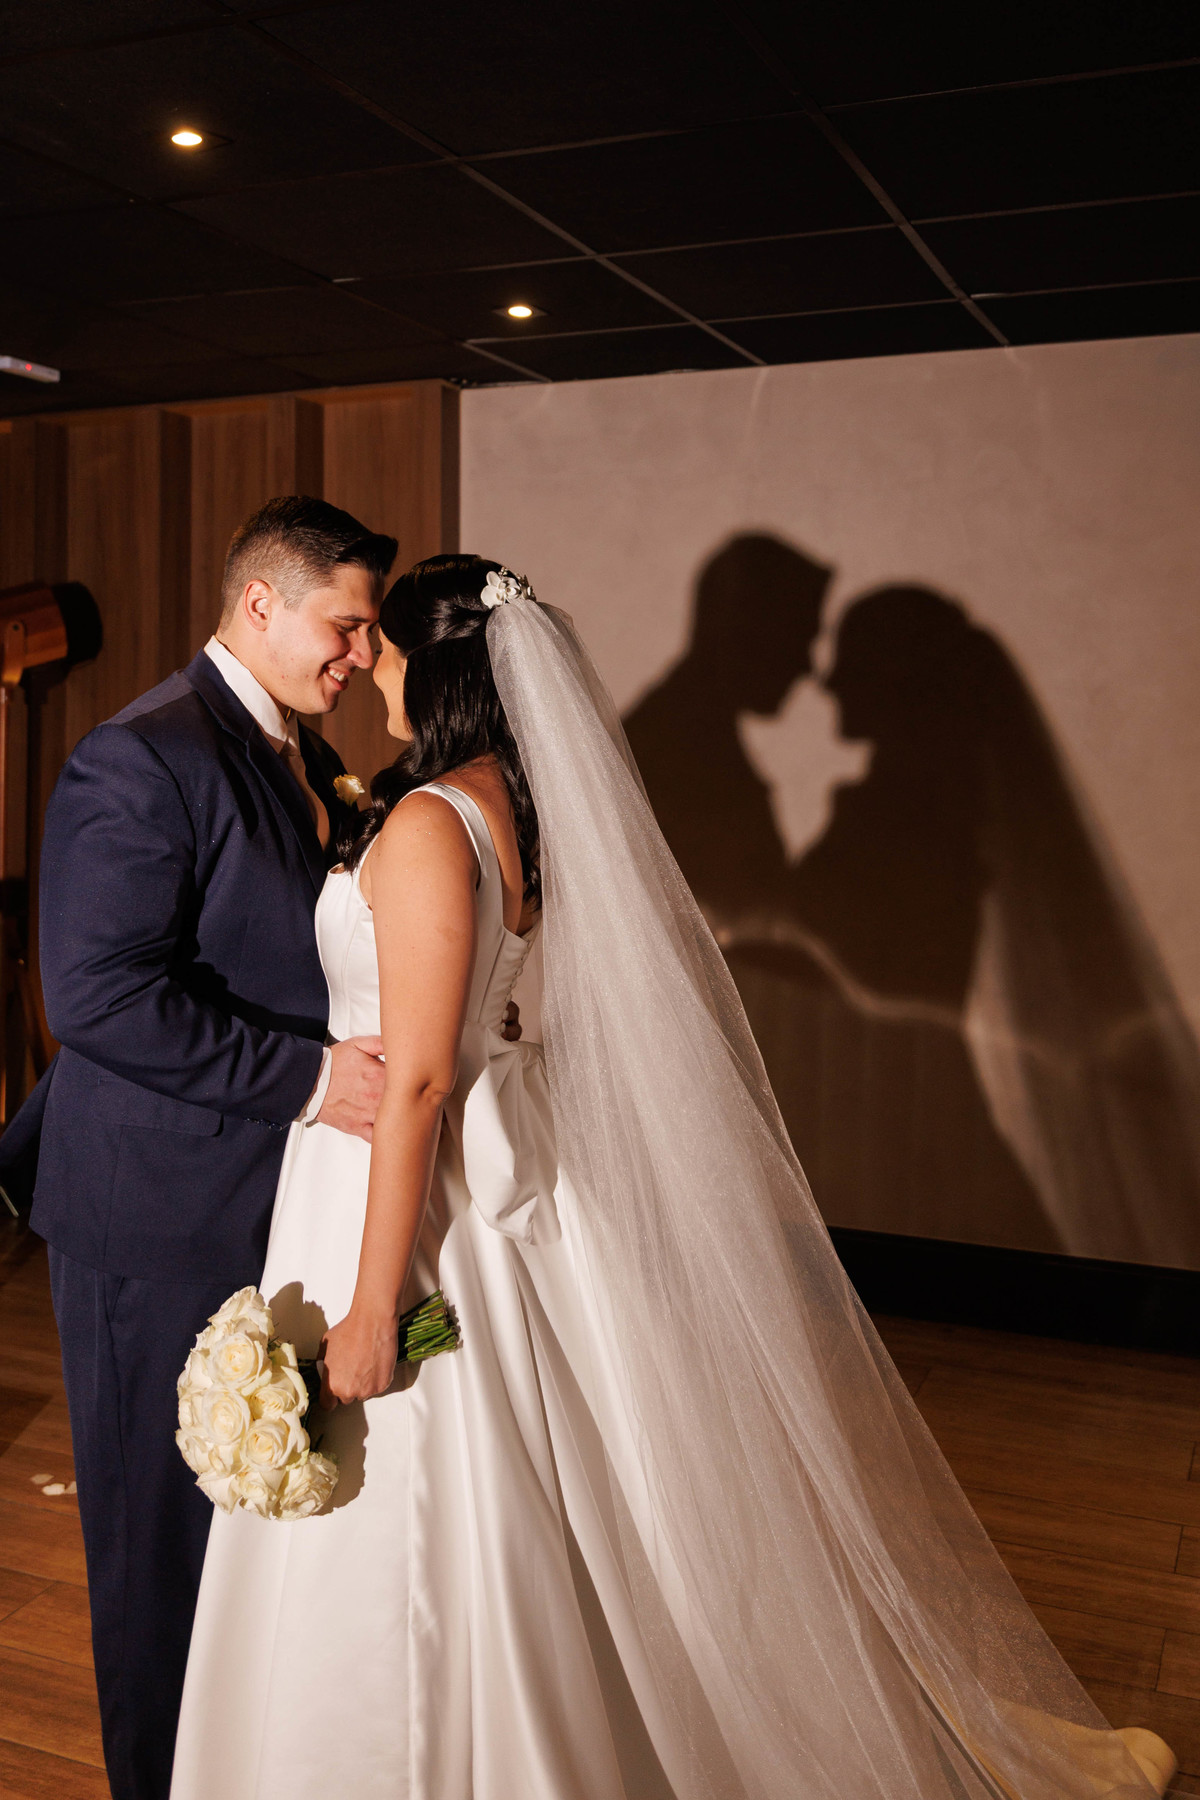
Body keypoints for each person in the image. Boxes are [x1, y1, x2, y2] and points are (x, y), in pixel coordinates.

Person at [173, 556, 1174, 1800]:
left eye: (387, 641)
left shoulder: (433, 821)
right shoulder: (516, 814)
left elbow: (422, 1082)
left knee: (431, 1482)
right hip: (477, 1192)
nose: (367, 657)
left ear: (439, 667)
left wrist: (377, 1307)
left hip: (410, 1199)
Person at [30, 497, 398, 1800]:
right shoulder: (143, 755)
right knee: (156, 1554)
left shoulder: (303, 753)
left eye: (368, 630)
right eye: (344, 624)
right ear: (259, 603)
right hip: (151, 1213)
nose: (361, 651)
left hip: (260, 1196)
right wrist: (315, 1079)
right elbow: (94, 998)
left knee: (237, 1530)